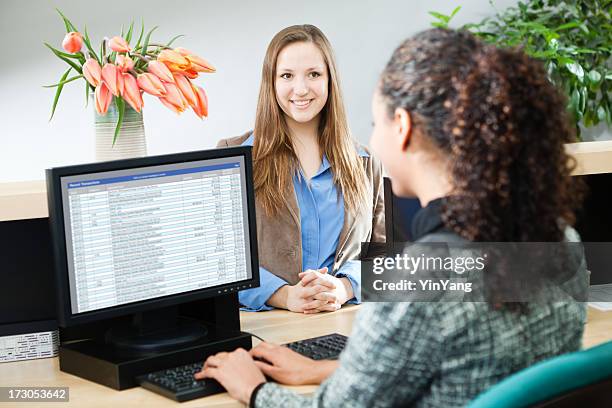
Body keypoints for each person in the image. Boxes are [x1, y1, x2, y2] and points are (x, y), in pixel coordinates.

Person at [196, 28, 588, 407]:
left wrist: (253, 390)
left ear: (401, 128)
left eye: (376, 120)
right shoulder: (563, 242)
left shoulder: (418, 284)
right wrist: (328, 369)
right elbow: (479, 370)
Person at [217, 24, 385, 313]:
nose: (301, 89)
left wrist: (344, 288)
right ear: (271, 83)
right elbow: (219, 259)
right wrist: (283, 295)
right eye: (287, 76)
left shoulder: (365, 162)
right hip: (268, 327)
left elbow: (386, 256)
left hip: (347, 321)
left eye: (314, 74)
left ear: (330, 80)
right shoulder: (234, 158)